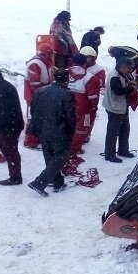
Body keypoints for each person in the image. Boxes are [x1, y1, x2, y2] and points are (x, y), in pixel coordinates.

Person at [27, 69, 76, 197]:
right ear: (67, 79)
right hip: (59, 131)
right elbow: (70, 116)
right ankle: (40, 182)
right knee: (61, 157)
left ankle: (57, 182)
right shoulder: (67, 94)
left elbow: (33, 110)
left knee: (49, 156)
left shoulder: (40, 91)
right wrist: (70, 132)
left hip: (42, 129)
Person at [102, 57, 138, 162]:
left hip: (122, 106)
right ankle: (109, 154)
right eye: (128, 68)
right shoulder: (114, 76)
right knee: (113, 132)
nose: (129, 70)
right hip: (114, 108)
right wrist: (130, 89)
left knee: (125, 129)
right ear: (121, 67)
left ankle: (123, 150)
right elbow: (117, 91)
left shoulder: (123, 74)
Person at [23, 43, 54, 149]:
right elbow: (34, 84)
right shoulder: (35, 63)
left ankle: (37, 138)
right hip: (34, 96)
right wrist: (42, 96)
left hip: (41, 94)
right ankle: (30, 141)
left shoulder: (44, 62)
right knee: (34, 118)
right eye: (50, 54)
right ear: (46, 54)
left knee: (40, 118)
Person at [67, 53, 100, 155]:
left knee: (65, 126)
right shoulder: (90, 78)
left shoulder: (63, 73)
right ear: (85, 63)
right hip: (83, 108)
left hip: (65, 106)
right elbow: (93, 97)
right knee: (81, 129)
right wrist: (94, 106)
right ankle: (75, 149)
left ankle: (64, 145)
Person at [80, 46, 105, 140]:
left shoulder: (98, 69)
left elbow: (100, 83)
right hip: (80, 97)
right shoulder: (78, 66)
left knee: (89, 117)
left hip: (91, 98)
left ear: (93, 57)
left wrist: (88, 80)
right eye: (83, 56)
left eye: (88, 57)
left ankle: (86, 134)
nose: (86, 59)